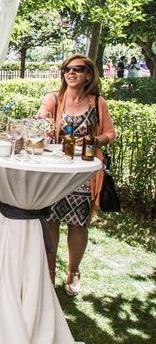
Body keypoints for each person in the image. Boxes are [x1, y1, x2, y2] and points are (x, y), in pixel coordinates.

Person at [37, 54, 116, 295]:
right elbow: (40, 121)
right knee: (51, 221)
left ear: (89, 75)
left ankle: (73, 272)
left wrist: (95, 140)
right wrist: (42, 124)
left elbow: (111, 133)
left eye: (78, 69)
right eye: (66, 69)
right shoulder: (53, 99)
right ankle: (49, 273)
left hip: (82, 174)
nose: (71, 73)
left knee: (78, 225)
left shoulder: (97, 102)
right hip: (57, 173)